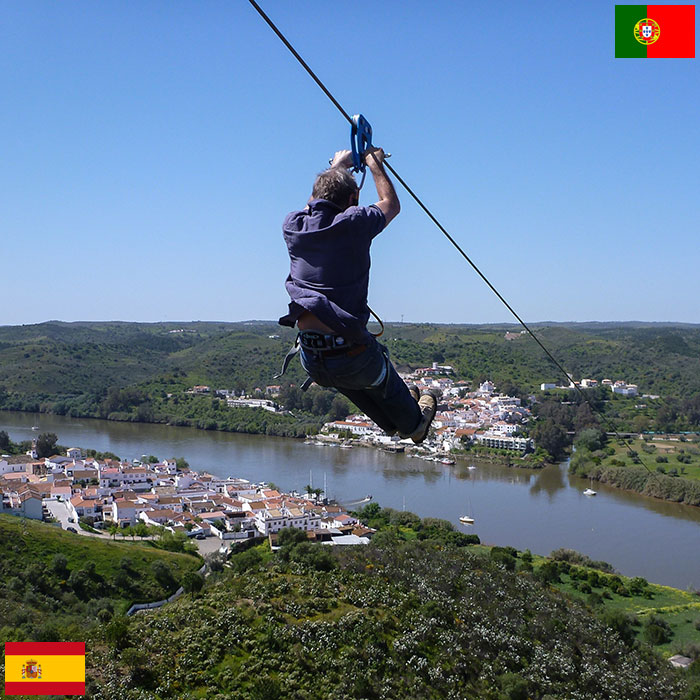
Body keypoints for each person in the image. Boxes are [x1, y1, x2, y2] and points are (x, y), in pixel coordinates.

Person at [278, 147, 437, 443]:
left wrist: (337, 167)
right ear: (352, 201)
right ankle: (413, 423)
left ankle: (391, 423)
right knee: (380, 376)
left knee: (352, 380)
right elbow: (390, 204)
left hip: (312, 360)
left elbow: (315, 203)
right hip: (351, 356)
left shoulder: (293, 226)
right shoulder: (354, 222)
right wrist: (375, 165)